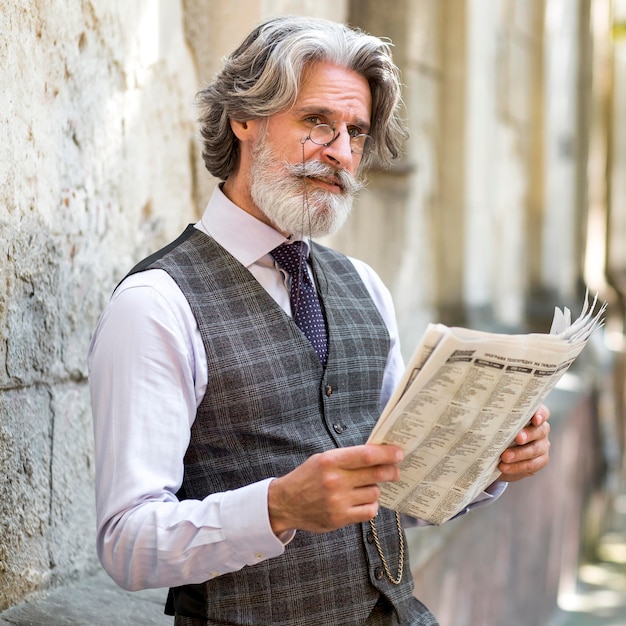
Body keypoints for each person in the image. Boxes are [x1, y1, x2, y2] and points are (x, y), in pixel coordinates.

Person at [88, 15, 551, 626]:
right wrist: (279, 507)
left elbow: (393, 493)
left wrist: (489, 461)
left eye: (355, 132)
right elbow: (126, 543)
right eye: (316, 122)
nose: (340, 153)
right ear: (245, 118)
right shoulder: (156, 304)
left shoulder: (365, 286)